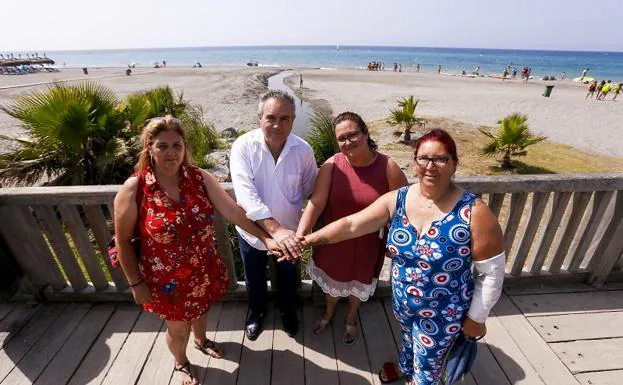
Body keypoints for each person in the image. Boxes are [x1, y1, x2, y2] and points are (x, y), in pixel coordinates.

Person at [303, 129, 505, 385]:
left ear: (454, 163)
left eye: (440, 159)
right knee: (409, 340)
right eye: (423, 159)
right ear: (415, 161)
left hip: (444, 313)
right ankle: (404, 367)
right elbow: (351, 225)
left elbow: (492, 274)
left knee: (428, 370)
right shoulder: (398, 199)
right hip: (404, 302)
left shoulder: (474, 212)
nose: (430, 166)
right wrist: (308, 240)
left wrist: (477, 318)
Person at [114, 115, 287, 385]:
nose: (171, 153)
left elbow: (233, 212)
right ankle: (181, 361)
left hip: (202, 270)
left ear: (185, 147)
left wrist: (266, 239)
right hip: (165, 282)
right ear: (149, 147)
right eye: (163, 146)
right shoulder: (135, 188)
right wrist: (136, 283)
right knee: (178, 327)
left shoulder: (199, 178)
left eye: (177, 145)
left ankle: (202, 339)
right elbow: (122, 241)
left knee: (202, 312)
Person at [297, 112, 408, 345]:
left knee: (359, 286)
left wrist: (395, 244)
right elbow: (316, 203)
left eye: (353, 135)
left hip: (368, 244)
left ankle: (351, 316)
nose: (347, 142)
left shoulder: (388, 167)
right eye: (341, 138)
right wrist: (300, 236)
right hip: (333, 241)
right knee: (331, 286)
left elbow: (403, 210)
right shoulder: (332, 165)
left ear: (365, 133)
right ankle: (329, 312)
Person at [230, 90, 318, 341]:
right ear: (259, 118)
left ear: (293, 119)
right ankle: (256, 312)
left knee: (289, 278)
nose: (277, 125)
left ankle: (287, 310)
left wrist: (295, 232)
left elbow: (310, 189)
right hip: (253, 233)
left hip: (291, 234)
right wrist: (275, 231)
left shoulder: (303, 150)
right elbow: (245, 196)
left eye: (284, 118)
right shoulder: (243, 146)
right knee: (254, 277)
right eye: (271, 117)